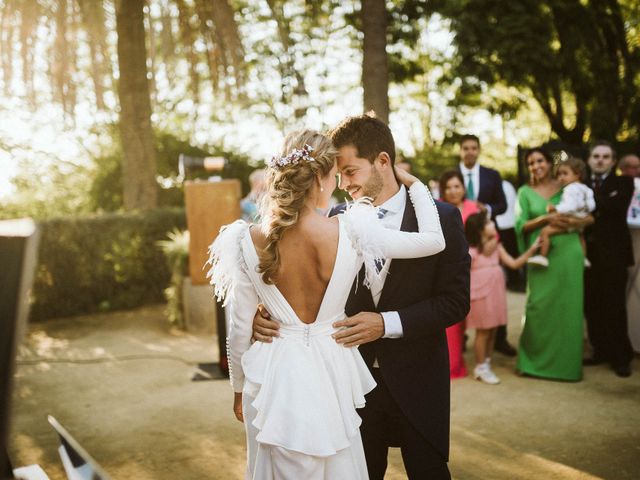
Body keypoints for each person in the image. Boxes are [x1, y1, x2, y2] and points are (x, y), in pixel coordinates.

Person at [207, 128, 446, 479]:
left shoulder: (245, 239)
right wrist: (416, 185)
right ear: (319, 178)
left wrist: (238, 390)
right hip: (331, 367)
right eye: (335, 175)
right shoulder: (351, 230)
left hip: (272, 372)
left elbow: (238, 330)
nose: (337, 184)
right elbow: (432, 241)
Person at [515, 147, 592, 381]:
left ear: (550, 164)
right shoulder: (525, 192)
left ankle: (566, 367)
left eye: (540, 161)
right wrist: (545, 218)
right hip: (541, 254)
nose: (536, 165)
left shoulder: (568, 186)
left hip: (569, 251)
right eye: (531, 162)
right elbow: (521, 226)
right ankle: (532, 363)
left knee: (568, 308)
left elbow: (588, 217)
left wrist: (580, 221)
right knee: (537, 306)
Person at [457, 134, 517, 356]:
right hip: (461, 241)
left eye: (474, 147)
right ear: (460, 151)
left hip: (488, 241)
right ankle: (460, 338)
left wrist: (486, 210)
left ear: (479, 150)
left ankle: (500, 338)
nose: (470, 151)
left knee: (494, 290)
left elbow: (502, 204)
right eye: (466, 148)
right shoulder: (454, 177)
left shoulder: (492, 175)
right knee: (461, 290)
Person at [464, 211, 540, 384]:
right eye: (489, 222)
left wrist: (532, 250)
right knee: (483, 331)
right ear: (480, 229)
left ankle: (487, 362)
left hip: (495, 293)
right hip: (479, 293)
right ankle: (480, 367)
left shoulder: (498, 246)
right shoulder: (471, 250)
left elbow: (514, 264)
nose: (493, 225)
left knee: (493, 329)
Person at [583, 141, 635, 377]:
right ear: (589, 159)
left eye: (605, 156)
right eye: (596, 156)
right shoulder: (581, 184)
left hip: (614, 256)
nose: (600, 160)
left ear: (614, 161)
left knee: (614, 307)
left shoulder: (624, 182)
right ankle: (599, 351)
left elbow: (616, 207)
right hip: (587, 256)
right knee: (592, 306)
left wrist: (590, 204)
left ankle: (620, 358)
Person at [438, 169, 479, 379]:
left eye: (457, 186)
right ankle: (452, 363)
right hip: (448, 270)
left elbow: (490, 235)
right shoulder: (437, 209)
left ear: (464, 187)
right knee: (451, 319)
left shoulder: (474, 208)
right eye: (449, 187)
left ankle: (482, 359)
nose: (453, 191)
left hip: (477, 269)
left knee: (477, 316)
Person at [527, 157, 595, 267]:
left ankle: (542, 256)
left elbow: (569, 206)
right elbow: (592, 206)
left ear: (577, 174)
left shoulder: (569, 189)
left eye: (565, 174)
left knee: (545, 232)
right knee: (580, 236)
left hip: (568, 218)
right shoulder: (587, 189)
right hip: (582, 218)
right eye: (559, 174)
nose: (561, 177)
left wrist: (555, 208)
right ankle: (583, 258)